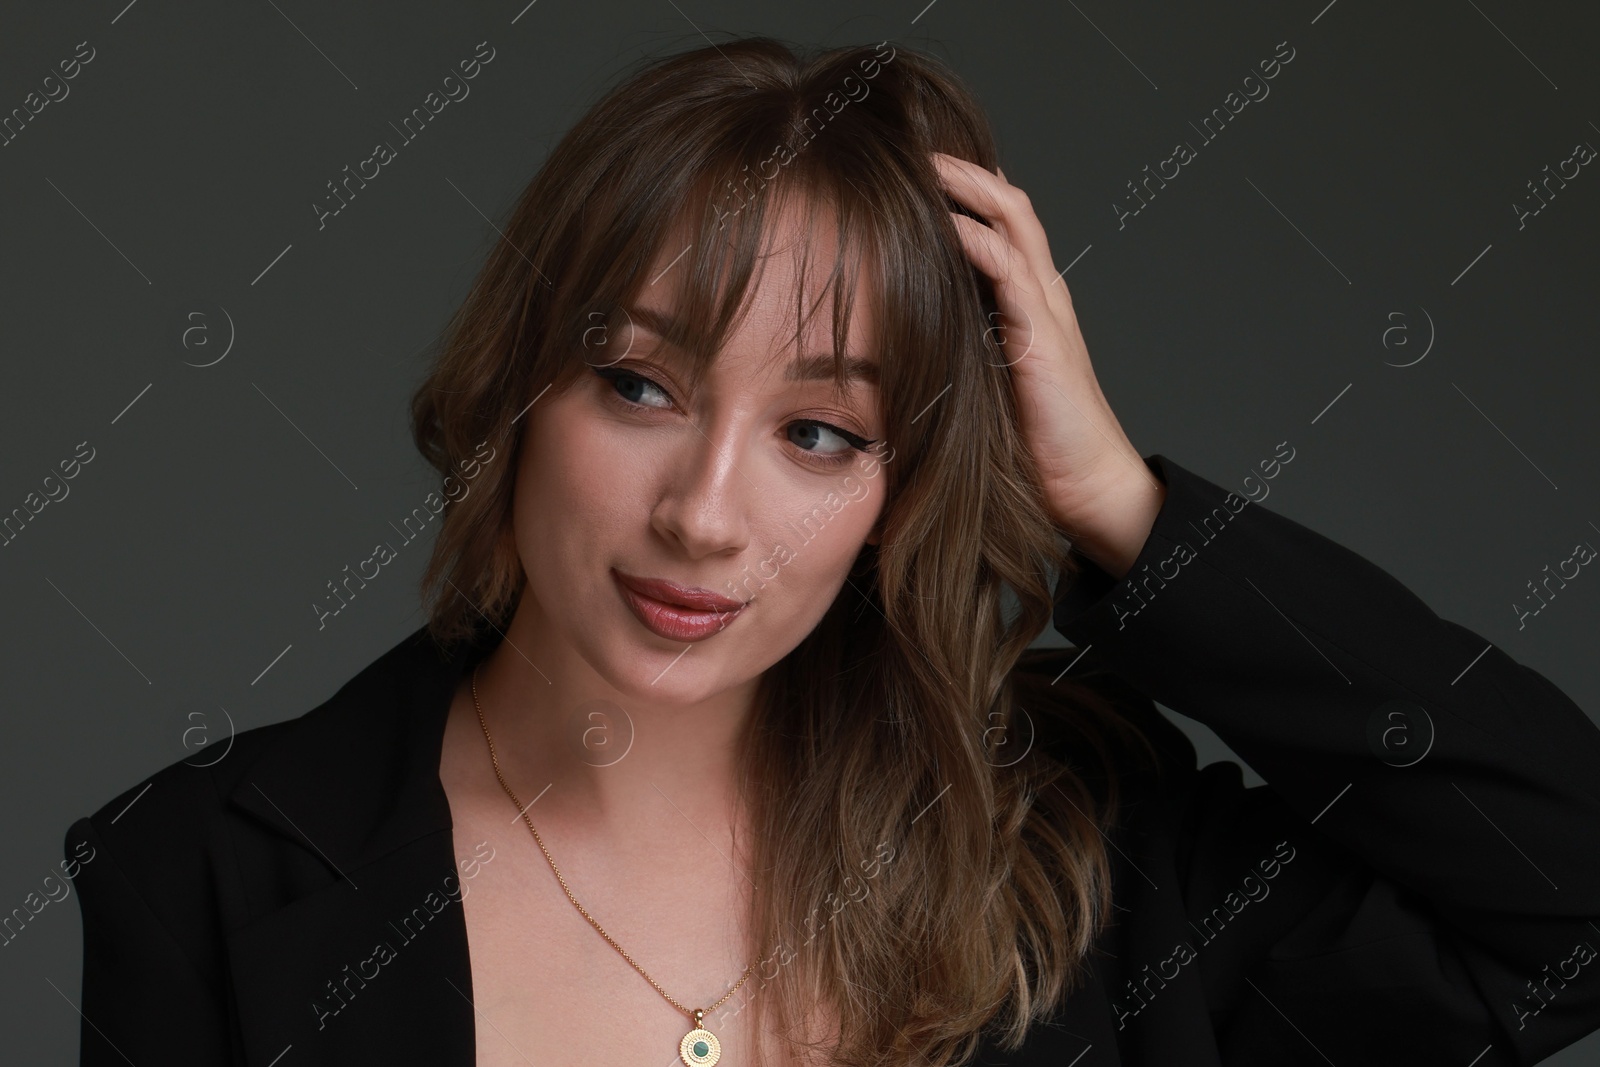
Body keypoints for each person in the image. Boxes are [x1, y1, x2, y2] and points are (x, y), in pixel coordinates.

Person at [65, 35, 1600, 1067]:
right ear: (516, 388)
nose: (705, 514)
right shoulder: (204, 877)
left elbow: (1565, 904)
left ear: (901, 484)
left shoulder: (1071, 841)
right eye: (640, 386)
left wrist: (1121, 509)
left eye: (822, 432)